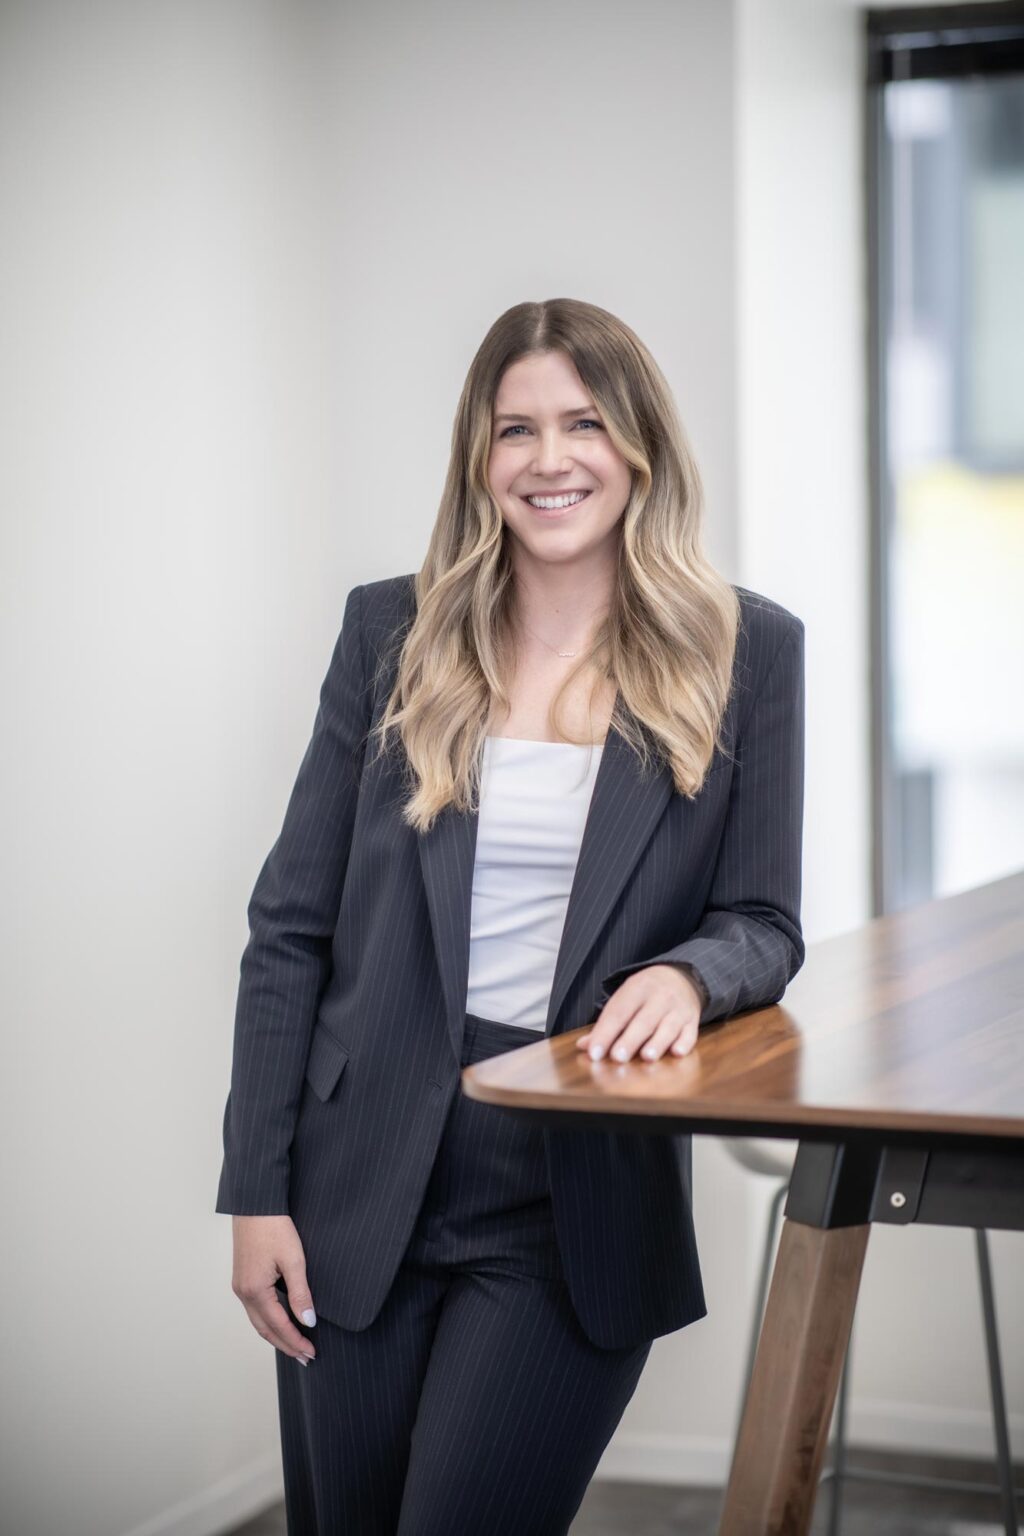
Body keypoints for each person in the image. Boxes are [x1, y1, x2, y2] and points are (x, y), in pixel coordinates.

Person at [215, 296, 806, 1535]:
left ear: (639, 444)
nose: (550, 460)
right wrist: (255, 1192)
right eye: (515, 429)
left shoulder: (746, 651)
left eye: (584, 423)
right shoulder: (393, 631)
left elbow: (762, 916)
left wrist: (694, 976)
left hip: (570, 1190)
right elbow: (289, 929)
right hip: (354, 1183)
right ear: (478, 460)